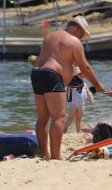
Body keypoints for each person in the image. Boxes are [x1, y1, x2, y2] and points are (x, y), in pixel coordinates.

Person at [30, 15, 105, 160]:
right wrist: (97, 85)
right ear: (78, 29)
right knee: (59, 117)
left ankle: (45, 154)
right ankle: (56, 156)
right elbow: (86, 68)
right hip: (52, 75)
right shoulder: (74, 41)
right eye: (82, 35)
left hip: (37, 73)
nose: (81, 38)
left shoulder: (50, 36)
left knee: (42, 118)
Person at [63, 66, 95, 133]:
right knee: (70, 118)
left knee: (78, 119)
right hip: (73, 104)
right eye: (80, 76)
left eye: (83, 76)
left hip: (82, 104)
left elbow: (88, 92)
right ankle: (64, 130)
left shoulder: (84, 85)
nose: (82, 77)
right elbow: (67, 92)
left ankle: (78, 131)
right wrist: (64, 97)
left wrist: (91, 98)